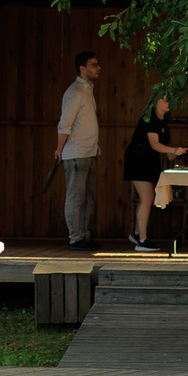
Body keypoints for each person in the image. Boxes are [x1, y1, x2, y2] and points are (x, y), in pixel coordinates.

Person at [123, 95, 185, 250]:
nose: (169, 103)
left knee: (147, 198)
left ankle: (137, 234)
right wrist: (173, 150)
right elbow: (154, 144)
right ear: (156, 101)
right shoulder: (149, 118)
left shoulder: (162, 120)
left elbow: (163, 147)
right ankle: (142, 241)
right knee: (147, 198)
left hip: (150, 161)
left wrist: (174, 153)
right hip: (138, 159)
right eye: (165, 100)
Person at [55, 51, 104, 250]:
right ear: (82, 68)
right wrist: (59, 149)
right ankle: (76, 237)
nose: (98, 68)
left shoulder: (87, 90)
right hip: (76, 153)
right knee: (76, 196)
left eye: (97, 64)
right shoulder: (75, 92)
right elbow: (65, 123)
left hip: (88, 152)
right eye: (93, 65)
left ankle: (84, 234)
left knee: (88, 197)